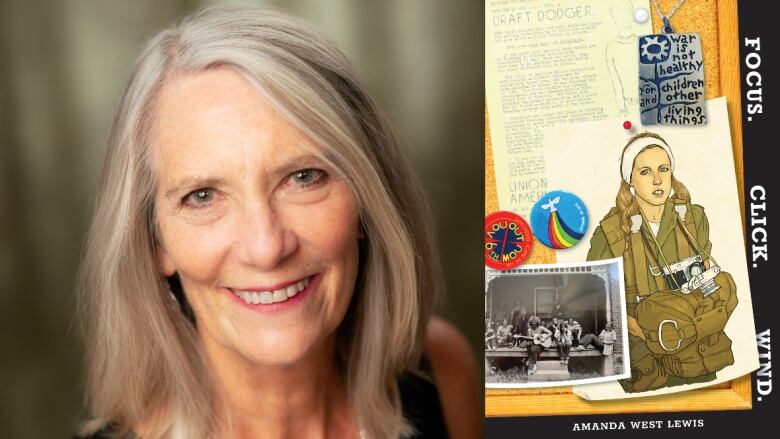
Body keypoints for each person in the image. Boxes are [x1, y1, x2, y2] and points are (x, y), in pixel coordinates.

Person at [75, 7, 479, 439]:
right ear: (156, 243)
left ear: (367, 199)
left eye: (303, 177)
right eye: (203, 196)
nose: (267, 247)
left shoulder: (441, 368)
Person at [586, 132, 734, 392]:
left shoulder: (693, 218)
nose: (657, 179)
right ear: (629, 180)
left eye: (663, 169)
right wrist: (632, 326)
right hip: (646, 360)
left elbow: (710, 275)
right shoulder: (610, 233)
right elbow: (593, 298)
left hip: (697, 353)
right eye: (645, 171)